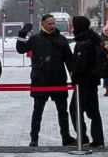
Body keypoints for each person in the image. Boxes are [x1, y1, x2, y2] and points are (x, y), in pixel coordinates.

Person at [17, 13, 76, 146]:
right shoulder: (35, 39)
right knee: (38, 111)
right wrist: (21, 34)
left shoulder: (61, 39)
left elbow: (69, 59)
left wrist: (73, 76)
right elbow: (20, 49)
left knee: (63, 112)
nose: (52, 26)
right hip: (40, 80)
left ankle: (66, 136)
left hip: (58, 80)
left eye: (53, 23)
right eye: (49, 24)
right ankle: (34, 138)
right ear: (43, 24)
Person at [70, 15, 107, 147]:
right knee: (93, 111)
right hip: (92, 81)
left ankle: (83, 137)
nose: (71, 27)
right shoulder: (92, 39)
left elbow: (82, 65)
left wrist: (74, 76)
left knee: (75, 109)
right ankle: (97, 138)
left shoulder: (84, 44)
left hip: (84, 82)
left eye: (73, 24)